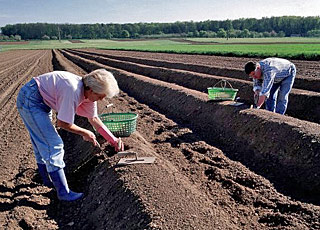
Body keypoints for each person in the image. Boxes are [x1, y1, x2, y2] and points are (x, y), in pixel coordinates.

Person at [16, 69, 124, 201]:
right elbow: (62, 123)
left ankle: (46, 180)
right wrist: (84, 132)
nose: (102, 99)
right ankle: (63, 192)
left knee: (42, 141)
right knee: (53, 144)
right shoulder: (72, 90)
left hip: (42, 100)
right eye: (101, 95)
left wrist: (113, 140)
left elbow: (94, 119)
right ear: (90, 89)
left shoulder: (88, 95)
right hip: (31, 100)